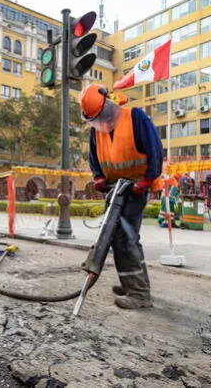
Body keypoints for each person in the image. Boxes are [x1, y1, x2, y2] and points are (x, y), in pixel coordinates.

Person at [81, 83, 163, 310]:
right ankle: (133, 284)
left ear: (109, 104)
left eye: (101, 116)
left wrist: (147, 180)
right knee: (121, 236)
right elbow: (94, 157)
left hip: (135, 186)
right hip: (114, 187)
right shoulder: (97, 129)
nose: (100, 122)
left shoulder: (134, 117)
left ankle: (139, 292)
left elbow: (155, 149)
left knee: (124, 236)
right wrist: (98, 177)